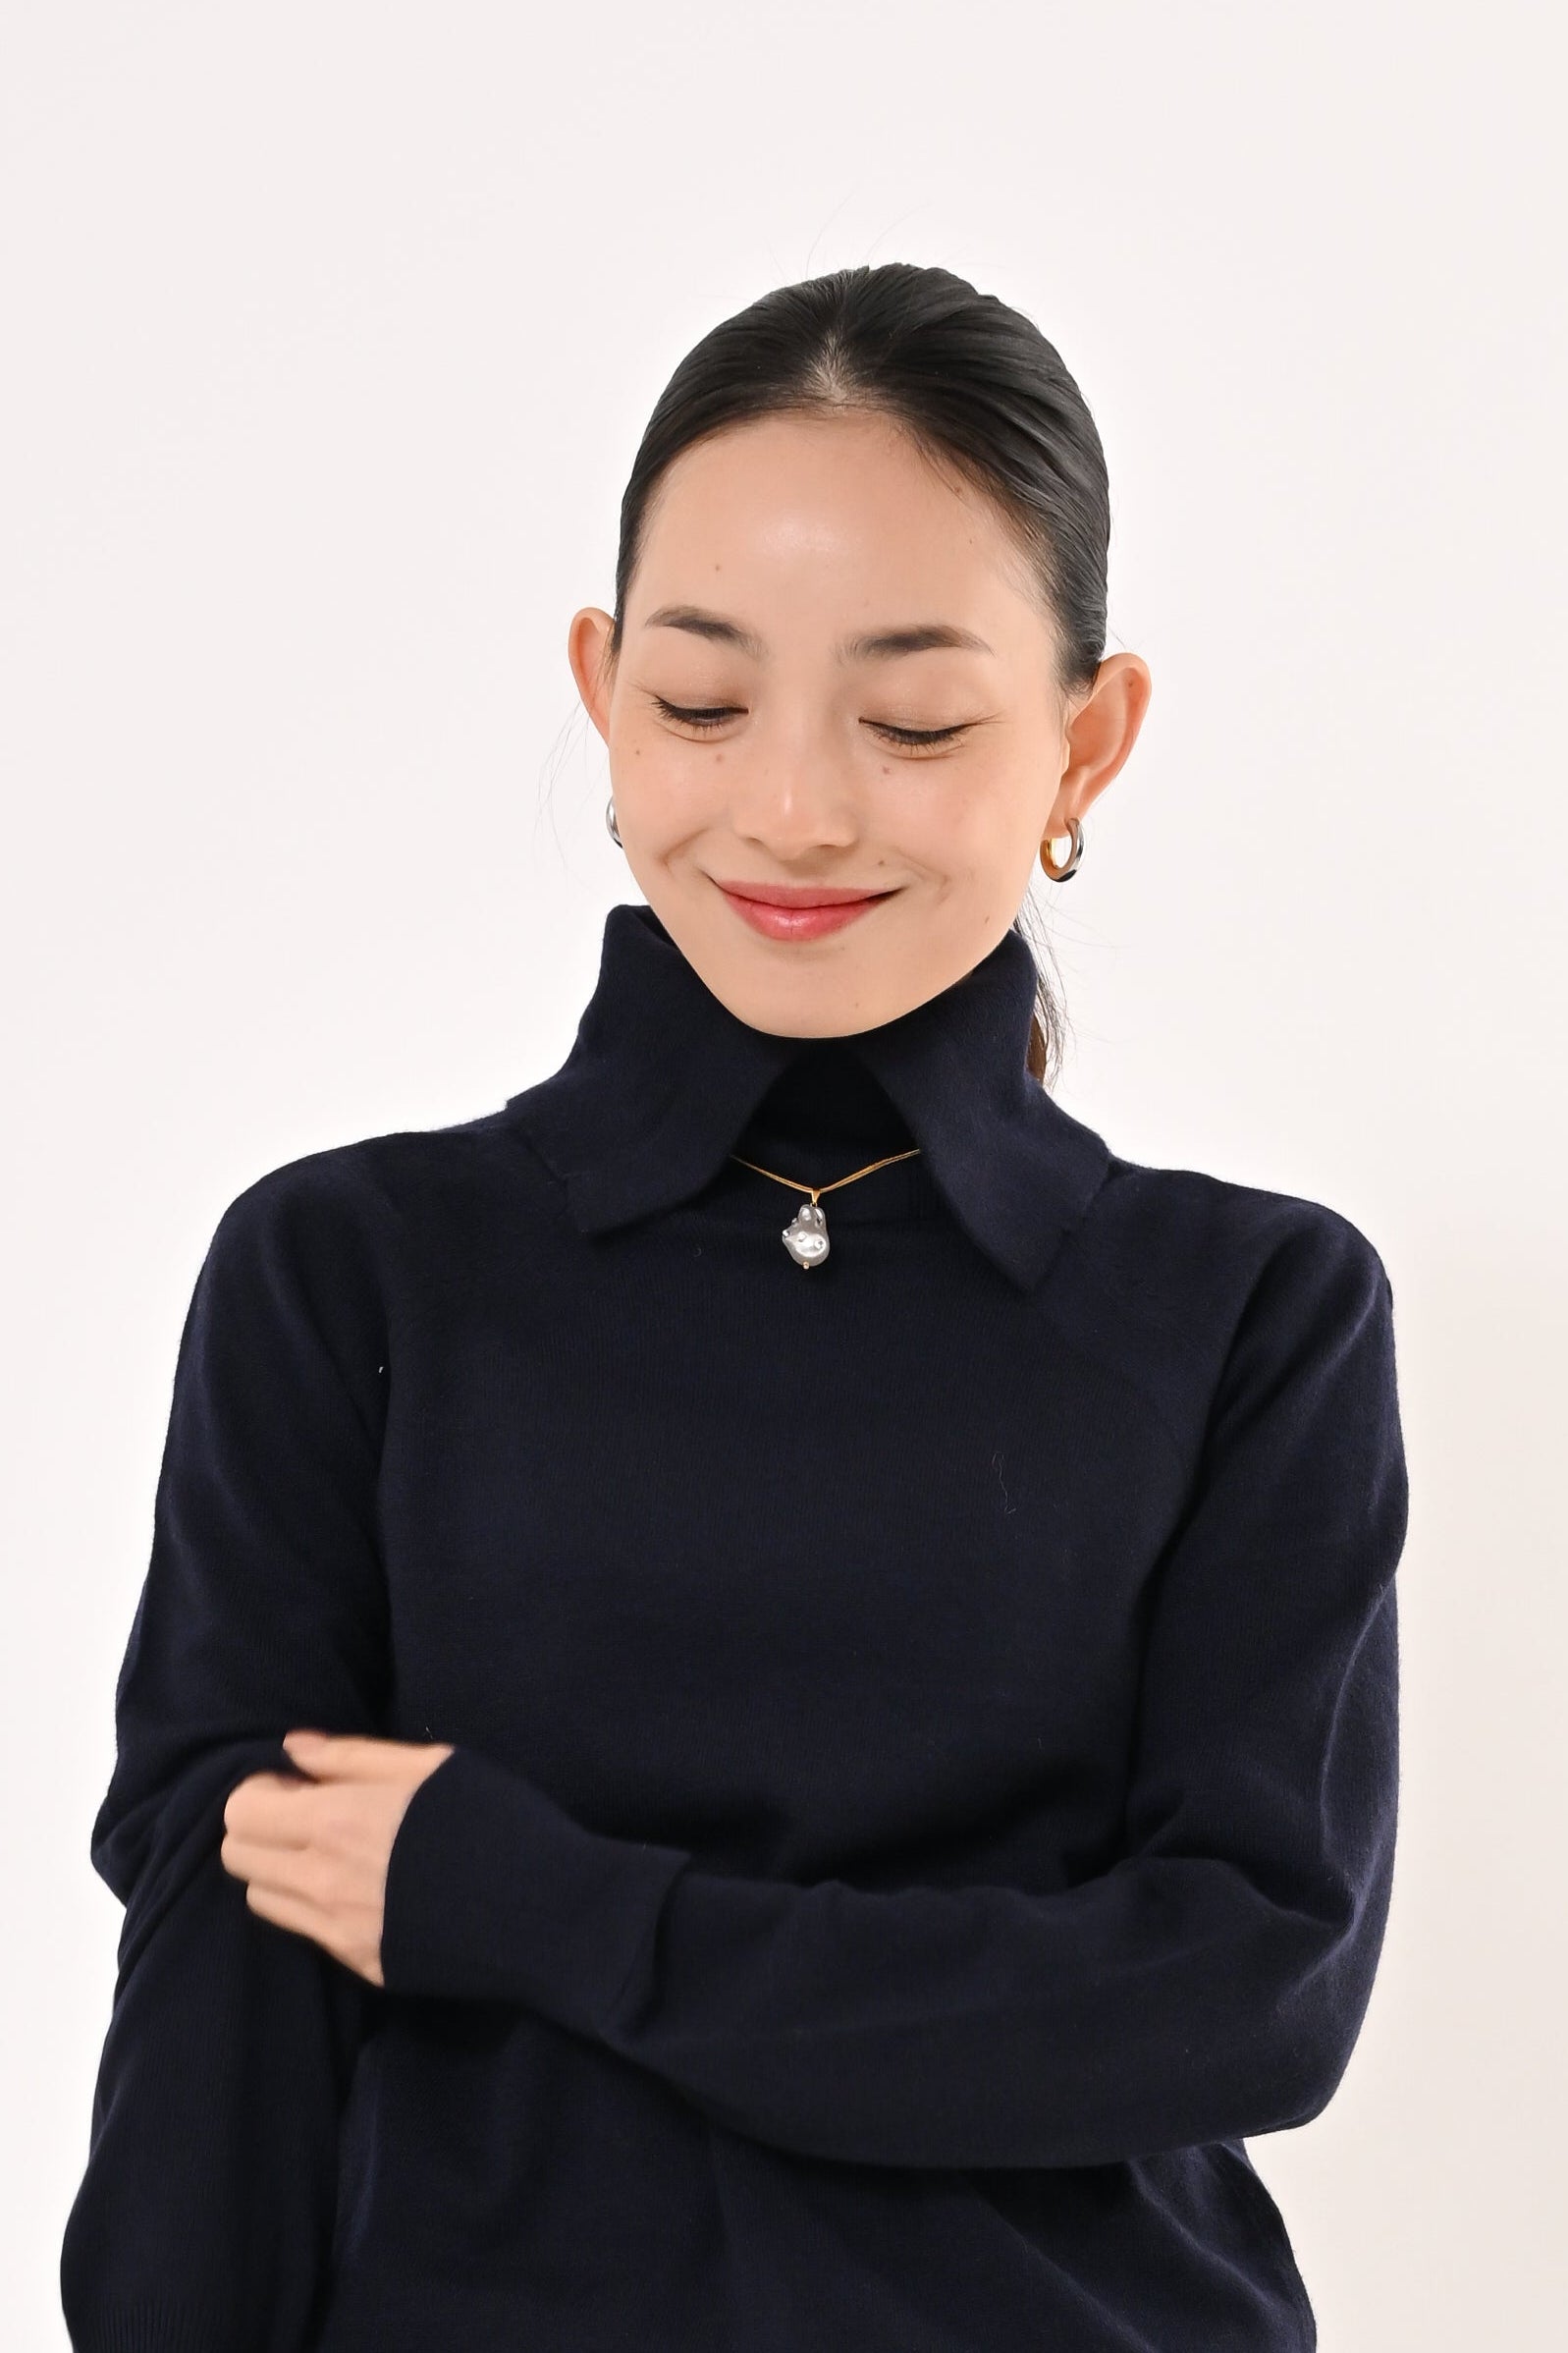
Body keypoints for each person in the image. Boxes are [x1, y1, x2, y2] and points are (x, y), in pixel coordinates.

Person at [60, 262, 1407, 2353]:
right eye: (701, 702)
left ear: (1087, 741)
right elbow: (222, 1994)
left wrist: (543, 1908)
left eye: (914, 721)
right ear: (600, 694)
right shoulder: (348, 1273)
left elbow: (1244, 1993)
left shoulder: (1249, 1311)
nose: (792, 806)